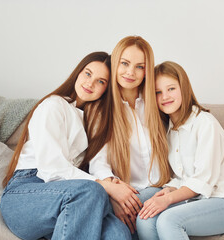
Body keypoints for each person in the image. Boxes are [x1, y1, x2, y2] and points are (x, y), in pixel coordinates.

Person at [0, 51, 132, 240]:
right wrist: (106, 187)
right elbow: (52, 169)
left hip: (69, 200)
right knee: (91, 191)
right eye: (88, 74)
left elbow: (99, 165)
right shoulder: (54, 105)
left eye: (101, 81)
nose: (90, 83)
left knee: (119, 233)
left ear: (107, 89)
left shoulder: (96, 121)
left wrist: (110, 190)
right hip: (25, 195)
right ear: (78, 73)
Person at [136, 61, 224, 240]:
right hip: (196, 198)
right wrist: (171, 189)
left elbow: (203, 180)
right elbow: (183, 176)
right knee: (144, 219)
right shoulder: (168, 130)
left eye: (171, 89)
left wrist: (168, 199)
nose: (165, 96)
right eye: (158, 92)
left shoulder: (205, 123)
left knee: (168, 221)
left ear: (183, 88)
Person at [86, 36, 172, 235]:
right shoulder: (101, 110)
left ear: (146, 71)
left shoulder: (159, 102)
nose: (130, 72)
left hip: (160, 190)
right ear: (115, 64)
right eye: (124, 63)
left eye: (139, 66)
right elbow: (98, 163)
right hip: (128, 193)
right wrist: (115, 195)